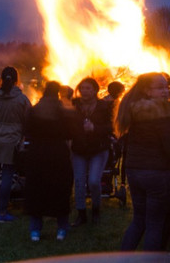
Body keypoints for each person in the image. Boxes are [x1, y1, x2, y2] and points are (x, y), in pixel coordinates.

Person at [118, 72, 170, 252]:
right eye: (160, 87)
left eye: (167, 87)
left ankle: (123, 257)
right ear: (147, 91)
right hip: (158, 173)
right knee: (155, 224)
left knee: (139, 220)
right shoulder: (161, 112)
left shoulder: (133, 110)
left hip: (135, 170)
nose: (165, 91)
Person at [24, 81, 74, 242]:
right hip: (58, 154)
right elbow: (69, 132)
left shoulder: (34, 109)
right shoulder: (63, 111)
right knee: (60, 190)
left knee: (37, 191)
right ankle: (61, 229)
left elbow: (27, 130)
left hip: (37, 154)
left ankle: (35, 231)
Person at [0, 67, 31, 222]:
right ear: (17, 80)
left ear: (1, 79)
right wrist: (20, 134)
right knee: (8, 175)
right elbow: (29, 121)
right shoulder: (22, 99)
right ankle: (2, 213)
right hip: (12, 142)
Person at [69, 77, 114, 226]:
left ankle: (96, 209)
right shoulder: (74, 105)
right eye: (82, 88)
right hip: (79, 148)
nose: (85, 91)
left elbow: (111, 127)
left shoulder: (104, 106)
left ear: (95, 90)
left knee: (94, 181)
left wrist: (95, 128)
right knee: (79, 182)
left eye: (88, 88)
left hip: (98, 148)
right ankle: (81, 213)